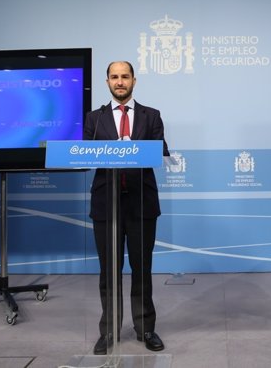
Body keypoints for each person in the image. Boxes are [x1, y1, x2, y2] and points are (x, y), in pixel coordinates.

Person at [84, 61, 170, 355]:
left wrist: (133, 149)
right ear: (107, 81)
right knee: (109, 271)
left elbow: (161, 151)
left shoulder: (152, 115)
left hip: (141, 202)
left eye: (125, 77)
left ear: (134, 80)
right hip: (105, 203)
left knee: (142, 269)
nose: (120, 82)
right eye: (114, 77)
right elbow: (85, 153)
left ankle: (146, 328)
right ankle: (108, 330)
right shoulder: (94, 118)